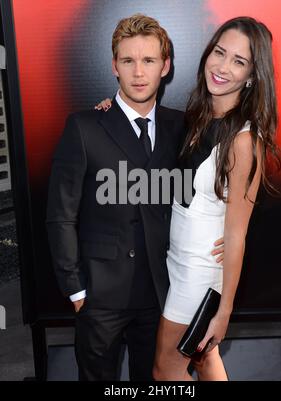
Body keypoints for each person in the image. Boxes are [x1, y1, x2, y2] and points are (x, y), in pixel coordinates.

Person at [97, 15, 281, 382]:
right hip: (175, 261)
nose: (223, 67)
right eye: (219, 52)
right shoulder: (195, 117)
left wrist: (224, 310)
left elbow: (236, 233)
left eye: (239, 61)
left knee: (166, 370)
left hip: (198, 273)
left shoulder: (245, 142)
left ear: (253, 75)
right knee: (204, 359)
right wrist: (112, 109)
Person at [46, 14, 223, 381]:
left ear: (166, 66)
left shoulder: (183, 126)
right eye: (128, 61)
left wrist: (228, 239)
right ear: (114, 66)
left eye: (149, 61)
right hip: (99, 294)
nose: (138, 72)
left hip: (161, 291)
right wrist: (76, 290)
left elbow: (217, 180)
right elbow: (60, 215)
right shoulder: (84, 126)